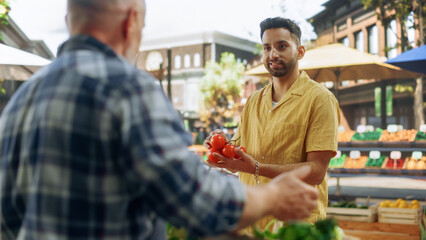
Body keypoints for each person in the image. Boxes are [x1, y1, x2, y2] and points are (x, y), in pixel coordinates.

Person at [0, 2, 319, 239]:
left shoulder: (22, 100)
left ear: (70, 20)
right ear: (131, 21)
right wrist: (271, 197)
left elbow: (9, 217)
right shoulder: (127, 88)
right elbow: (191, 199)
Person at [204, 17, 340, 233]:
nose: (273, 54)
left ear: (301, 51)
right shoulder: (253, 101)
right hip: (251, 225)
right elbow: (239, 151)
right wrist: (219, 147)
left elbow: (316, 172)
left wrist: (257, 168)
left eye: (282, 46)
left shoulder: (320, 99)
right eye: (267, 47)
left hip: (295, 227)